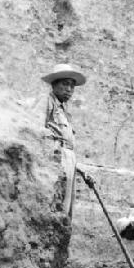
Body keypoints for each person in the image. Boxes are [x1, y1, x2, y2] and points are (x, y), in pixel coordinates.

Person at [34, 63, 89, 218]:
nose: (69, 89)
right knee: (55, 203)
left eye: (72, 86)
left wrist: (80, 169)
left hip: (69, 159)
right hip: (56, 157)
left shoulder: (64, 110)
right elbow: (38, 128)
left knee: (66, 206)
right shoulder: (46, 101)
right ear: (54, 84)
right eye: (65, 84)